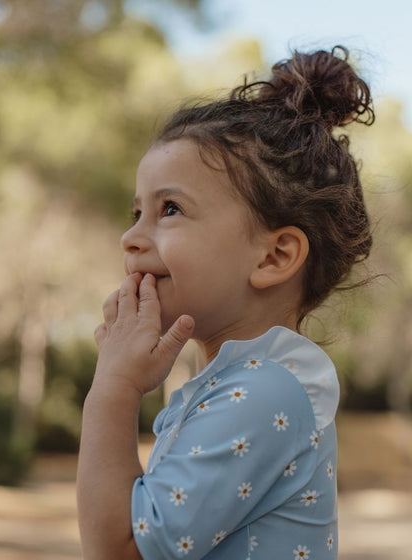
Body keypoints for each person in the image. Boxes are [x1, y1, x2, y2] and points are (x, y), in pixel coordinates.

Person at [77, 46, 374, 560]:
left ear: (275, 256)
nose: (130, 236)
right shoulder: (239, 384)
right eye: (136, 211)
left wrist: (114, 386)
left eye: (169, 209)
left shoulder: (266, 391)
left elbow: (120, 548)